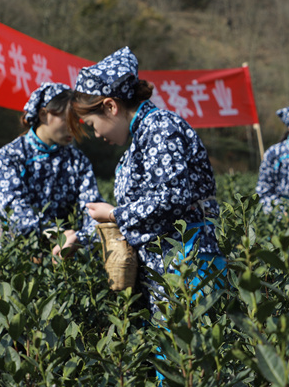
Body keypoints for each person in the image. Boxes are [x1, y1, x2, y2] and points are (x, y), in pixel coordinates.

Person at [68, 47, 224, 306]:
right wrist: (82, 237)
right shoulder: (142, 137)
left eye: (93, 125)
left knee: (190, 344)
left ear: (110, 106)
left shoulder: (160, 127)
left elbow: (172, 195)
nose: (96, 134)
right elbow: (143, 211)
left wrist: (113, 214)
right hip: (167, 269)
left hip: (189, 265)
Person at [0, 82, 103, 257]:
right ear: (44, 115)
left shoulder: (77, 160)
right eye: (67, 120)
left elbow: (92, 207)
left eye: (77, 121)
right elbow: (14, 210)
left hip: (66, 252)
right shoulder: (11, 156)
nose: (74, 128)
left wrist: (82, 237)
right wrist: (57, 235)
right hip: (17, 251)